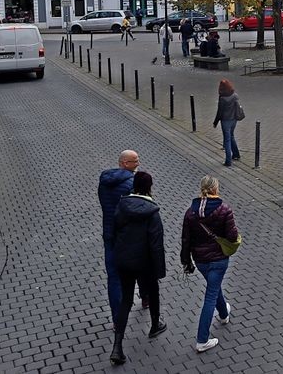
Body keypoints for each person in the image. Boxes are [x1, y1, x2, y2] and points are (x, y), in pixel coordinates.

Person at [109, 171, 166, 365]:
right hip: (145, 263)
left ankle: (117, 346)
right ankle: (155, 324)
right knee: (153, 290)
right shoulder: (152, 212)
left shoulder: (122, 206)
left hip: (124, 261)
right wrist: (159, 271)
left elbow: (114, 231)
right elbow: (156, 244)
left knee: (126, 299)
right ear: (149, 188)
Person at [180, 176, 238, 354]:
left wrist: (186, 261)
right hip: (219, 259)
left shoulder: (191, 212)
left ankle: (223, 314)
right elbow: (232, 237)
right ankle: (202, 339)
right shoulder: (224, 209)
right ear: (215, 189)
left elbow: (186, 240)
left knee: (214, 287)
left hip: (201, 261)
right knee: (210, 296)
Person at [99, 150, 139, 327]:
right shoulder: (131, 183)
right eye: (134, 161)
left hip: (109, 233)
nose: (138, 164)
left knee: (113, 275)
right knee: (136, 268)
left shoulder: (104, 182)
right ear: (124, 163)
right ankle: (143, 298)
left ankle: (117, 318)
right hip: (126, 235)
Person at [212, 79, 243, 166]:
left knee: (227, 140)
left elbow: (219, 112)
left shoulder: (222, 98)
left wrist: (215, 122)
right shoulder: (235, 95)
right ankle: (236, 154)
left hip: (225, 121)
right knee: (231, 136)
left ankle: (228, 161)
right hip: (234, 120)